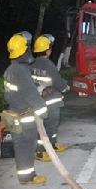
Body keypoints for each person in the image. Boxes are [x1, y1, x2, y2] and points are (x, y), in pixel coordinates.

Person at [4, 34, 48, 184]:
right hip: (25, 117)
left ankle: (25, 175)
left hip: (15, 114)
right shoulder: (20, 71)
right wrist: (43, 110)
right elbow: (30, 94)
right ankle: (28, 177)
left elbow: (17, 91)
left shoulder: (11, 69)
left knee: (21, 146)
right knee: (27, 147)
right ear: (24, 50)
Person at [31, 34, 69, 162]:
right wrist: (65, 87)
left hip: (37, 100)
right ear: (48, 50)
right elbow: (57, 81)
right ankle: (40, 152)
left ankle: (52, 145)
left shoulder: (31, 64)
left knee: (48, 125)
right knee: (48, 125)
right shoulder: (48, 64)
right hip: (50, 101)